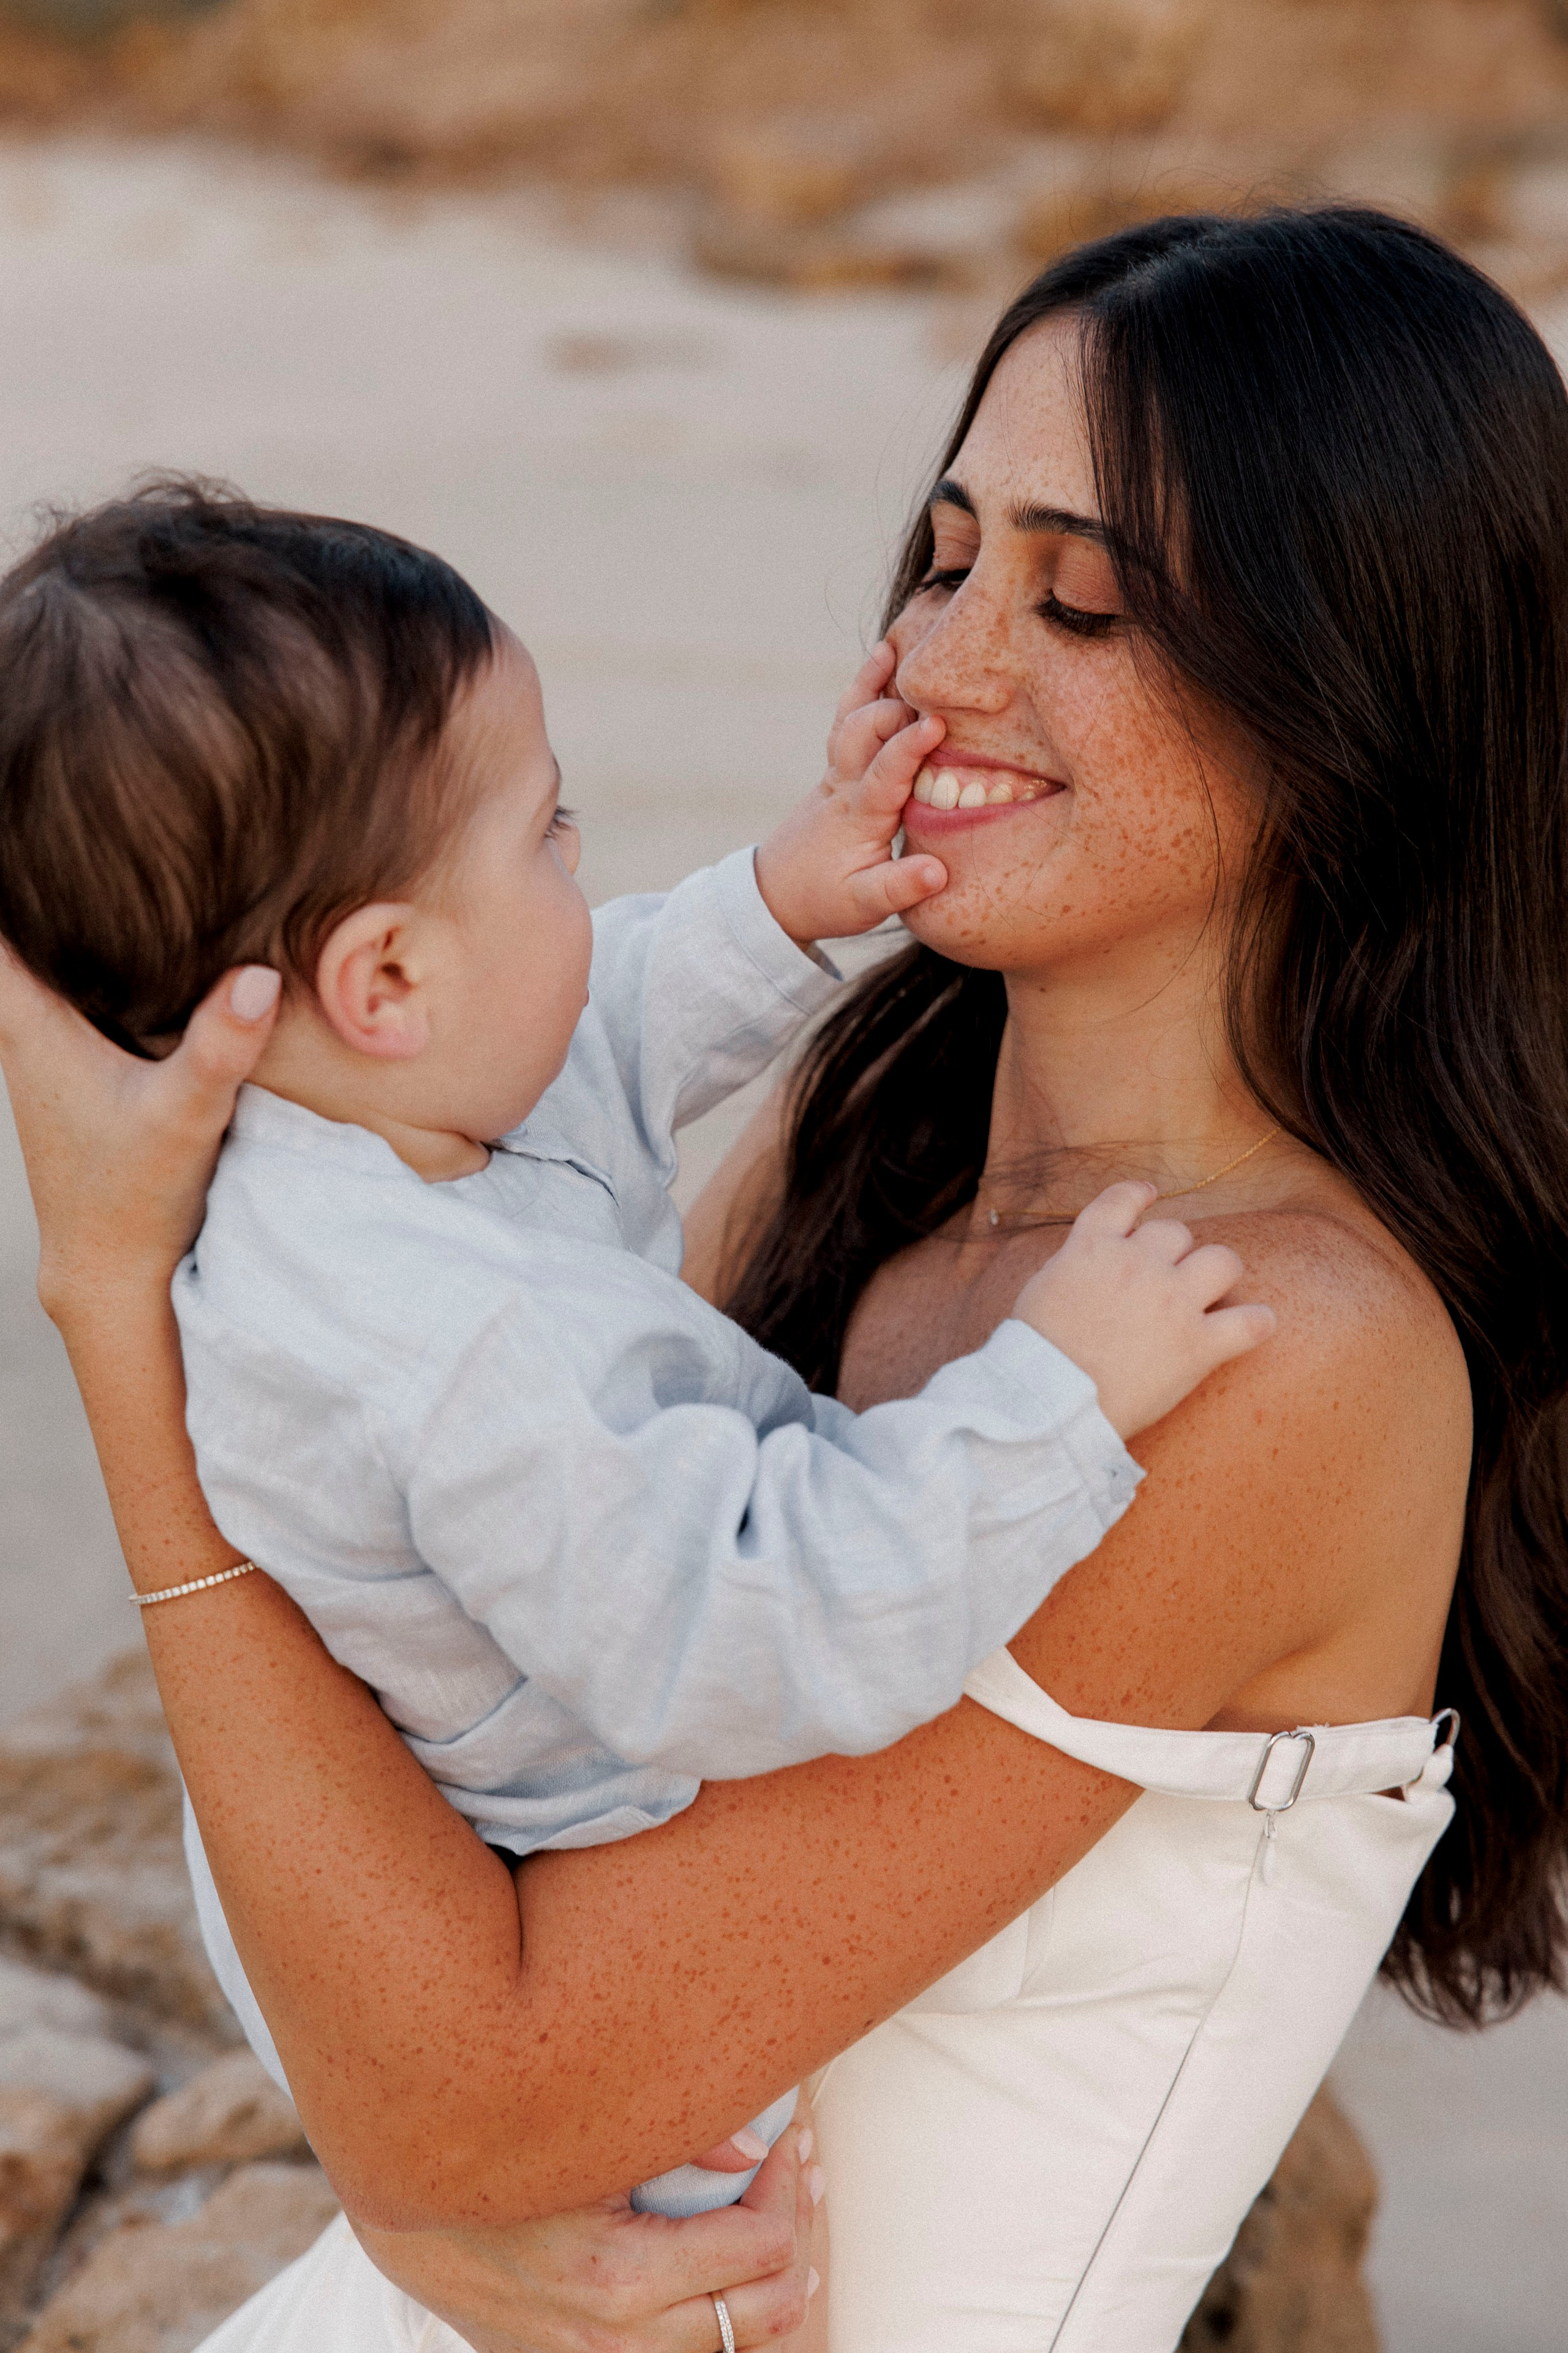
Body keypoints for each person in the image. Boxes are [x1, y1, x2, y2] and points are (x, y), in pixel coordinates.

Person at [4, 205, 1566, 2352]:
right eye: (944, 559)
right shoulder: (843, 1170)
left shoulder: (1271, 1354)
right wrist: (418, 2197)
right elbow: (419, 1777)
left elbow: (489, 2088)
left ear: (1356, 702)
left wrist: (118, 1323)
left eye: (1084, 601)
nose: (948, 661)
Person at [0, 486, 1268, 2229]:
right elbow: (767, 1623)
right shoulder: (460, 1348)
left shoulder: (342, 1144)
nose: (581, 878)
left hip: (391, 1892)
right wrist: (1056, 1392)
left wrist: (787, 893)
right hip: (612, 1999)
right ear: (384, 978)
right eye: (551, 835)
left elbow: (585, 1041)